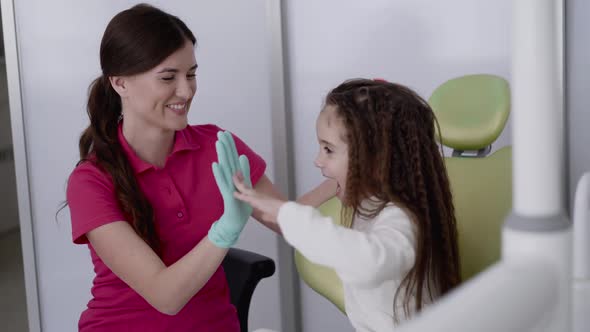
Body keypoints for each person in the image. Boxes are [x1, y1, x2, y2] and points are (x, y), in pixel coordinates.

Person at [65, 4, 335, 331]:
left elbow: (289, 219)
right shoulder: (91, 181)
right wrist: (224, 231)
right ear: (120, 83)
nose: (186, 90)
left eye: (191, 74)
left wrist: (350, 171)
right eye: (168, 77)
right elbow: (165, 295)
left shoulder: (217, 147)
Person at [228, 78, 462, 331]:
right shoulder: (373, 198)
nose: (318, 160)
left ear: (375, 160)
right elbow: (303, 211)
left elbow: (370, 261)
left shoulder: (403, 218)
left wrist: (284, 212)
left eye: (328, 149)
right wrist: (260, 203)